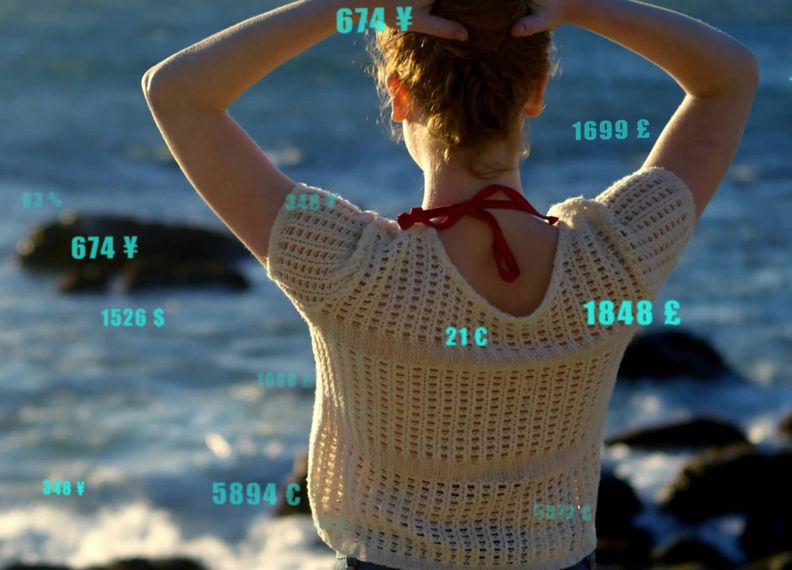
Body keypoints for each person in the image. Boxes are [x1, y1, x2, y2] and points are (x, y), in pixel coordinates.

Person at [141, 0, 757, 567]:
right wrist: (580, 6)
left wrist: (350, 7)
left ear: (399, 95)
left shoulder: (348, 268)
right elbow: (727, 77)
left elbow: (176, 91)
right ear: (537, 92)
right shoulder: (614, 258)